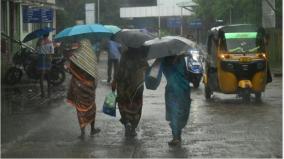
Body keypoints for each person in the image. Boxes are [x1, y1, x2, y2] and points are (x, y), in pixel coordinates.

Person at [64, 39, 100, 139]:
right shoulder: (92, 56)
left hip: (78, 87)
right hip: (90, 87)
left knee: (80, 109)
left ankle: (83, 132)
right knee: (92, 107)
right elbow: (95, 72)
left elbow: (70, 70)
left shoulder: (75, 57)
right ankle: (92, 129)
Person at [112, 47, 148, 137]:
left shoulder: (124, 55)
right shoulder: (141, 56)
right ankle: (133, 128)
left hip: (124, 86)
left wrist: (114, 81)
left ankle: (126, 123)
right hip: (137, 87)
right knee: (137, 107)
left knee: (123, 105)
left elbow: (119, 70)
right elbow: (147, 69)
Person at [160, 55, 191, 146]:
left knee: (175, 112)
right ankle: (177, 135)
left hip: (175, 90)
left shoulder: (165, 60)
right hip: (182, 89)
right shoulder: (180, 59)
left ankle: (176, 136)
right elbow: (186, 73)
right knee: (179, 112)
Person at [35, 33, 54, 98]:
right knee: (48, 76)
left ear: (43, 35)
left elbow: (36, 51)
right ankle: (49, 92)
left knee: (42, 76)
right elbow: (52, 52)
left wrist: (38, 45)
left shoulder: (39, 42)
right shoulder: (50, 42)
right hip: (48, 58)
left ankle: (42, 92)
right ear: (48, 35)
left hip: (41, 59)